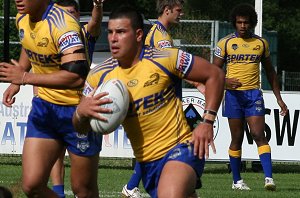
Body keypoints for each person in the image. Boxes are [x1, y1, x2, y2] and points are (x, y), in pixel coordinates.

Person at [73, 5, 225, 198]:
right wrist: (81, 112)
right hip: (147, 165)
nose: (113, 38)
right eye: (110, 32)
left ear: (138, 35)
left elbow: (215, 75)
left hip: (182, 147)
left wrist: (207, 121)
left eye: (120, 32)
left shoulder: (165, 58)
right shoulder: (98, 76)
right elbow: (80, 127)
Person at [0, 0, 102, 197]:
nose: (17, 0)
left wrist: (24, 77)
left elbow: (76, 77)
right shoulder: (22, 18)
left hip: (78, 111)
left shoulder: (64, 26)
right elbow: (29, 45)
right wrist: (18, 79)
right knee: (32, 186)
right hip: (45, 107)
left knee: (83, 190)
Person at [121, 1, 202, 197]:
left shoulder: (158, 32)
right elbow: (174, 66)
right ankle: (132, 186)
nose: (181, 14)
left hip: (163, 97)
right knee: (167, 146)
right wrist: (198, 83)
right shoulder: (161, 36)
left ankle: (132, 186)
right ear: (167, 10)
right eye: (178, 10)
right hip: (163, 99)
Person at [213, 3, 288, 191]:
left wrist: (279, 99)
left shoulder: (261, 43)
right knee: (236, 138)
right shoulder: (225, 43)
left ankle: (269, 178)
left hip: (253, 94)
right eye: (239, 22)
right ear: (234, 23)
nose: (243, 26)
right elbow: (213, 73)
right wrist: (225, 81)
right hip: (233, 96)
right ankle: (237, 181)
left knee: (258, 134)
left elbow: (271, 72)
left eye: (246, 22)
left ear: (252, 23)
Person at [49, 0, 104, 197]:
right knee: (56, 153)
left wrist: (97, 6)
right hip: (54, 103)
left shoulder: (83, 33)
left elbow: (96, 25)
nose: (66, 18)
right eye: (62, 14)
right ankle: (59, 193)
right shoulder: (53, 33)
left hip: (80, 105)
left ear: (79, 15)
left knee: (85, 173)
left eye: (71, 13)